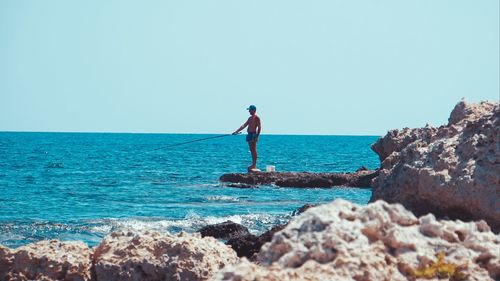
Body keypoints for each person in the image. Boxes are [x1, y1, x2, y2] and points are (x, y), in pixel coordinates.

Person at [233, 105, 262, 172]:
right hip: (249, 134)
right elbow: (244, 125)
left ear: (253, 110)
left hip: (253, 134)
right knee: (251, 150)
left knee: (254, 149)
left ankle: (254, 164)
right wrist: (236, 131)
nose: (249, 111)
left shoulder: (257, 118)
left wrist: (257, 136)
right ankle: (253, 164)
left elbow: (259, 127)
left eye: (250, 110)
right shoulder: (250, 118)